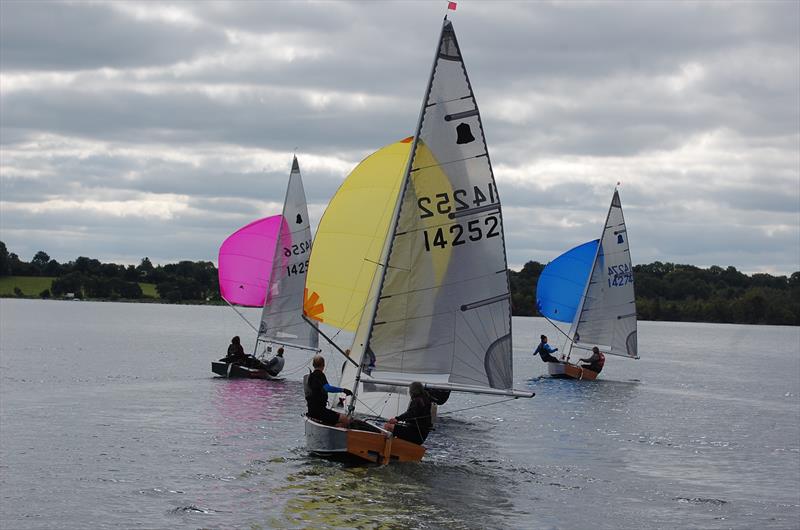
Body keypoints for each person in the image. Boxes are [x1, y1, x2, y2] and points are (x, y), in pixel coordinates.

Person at [305, 355, 351, 428]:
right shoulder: (320, 375)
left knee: (339, 417)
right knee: (345, 420)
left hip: (311, 410)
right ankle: (332, 433)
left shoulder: (310, 376)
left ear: (313, 365)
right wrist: (343, 390)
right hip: (320, 412)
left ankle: (330, 428)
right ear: (323, 365)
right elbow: (328, 388)